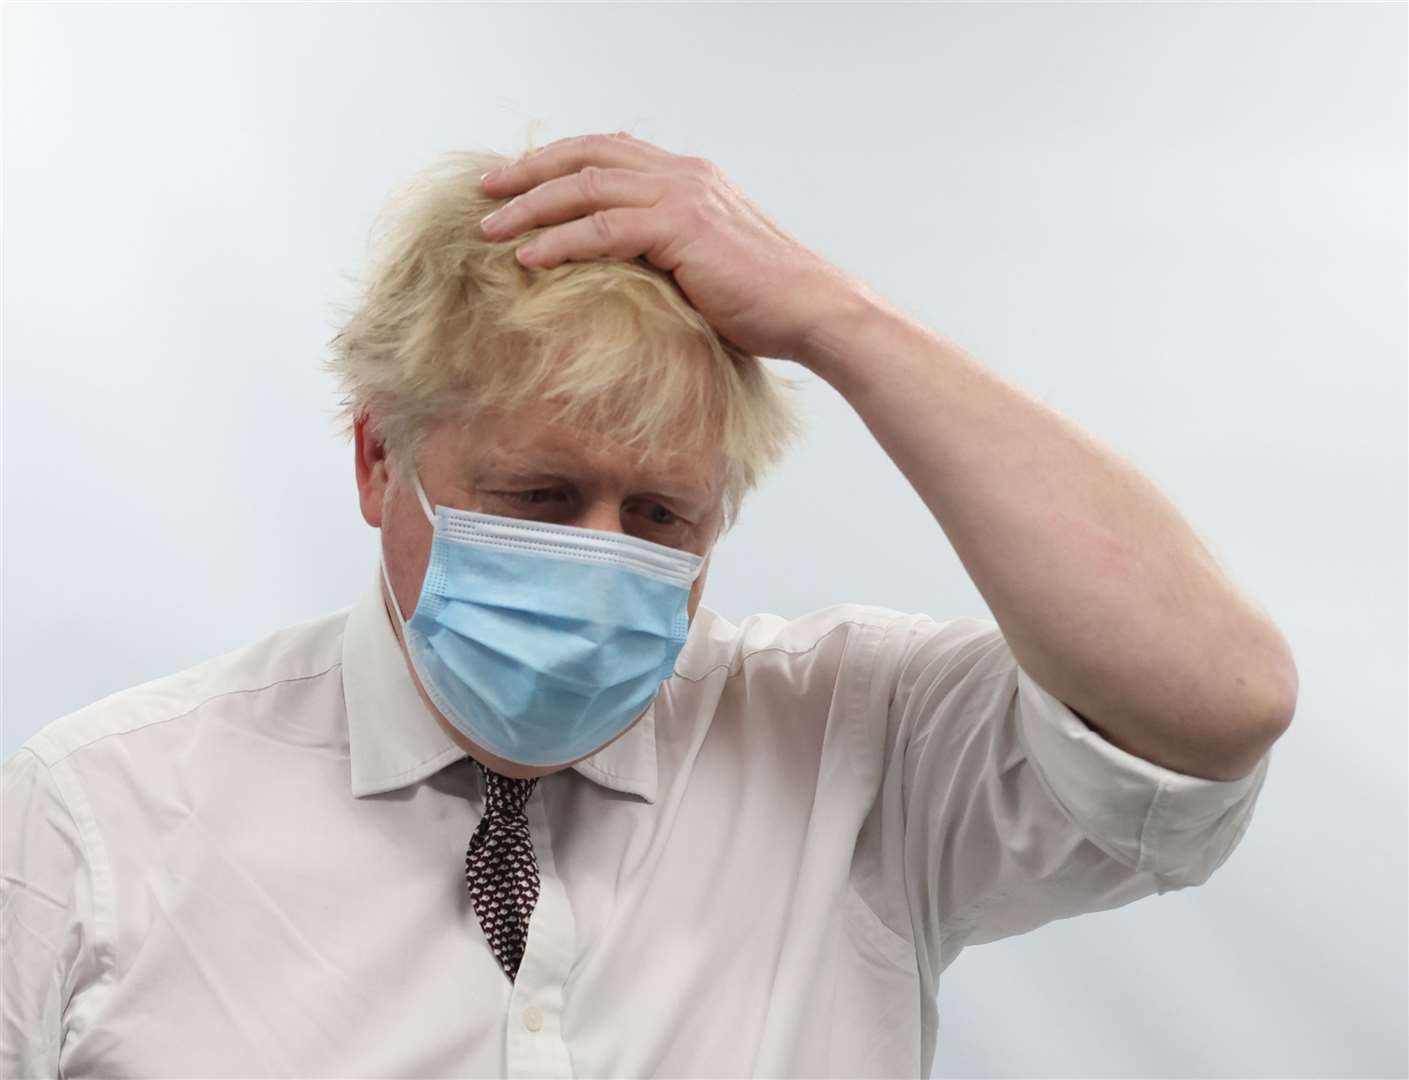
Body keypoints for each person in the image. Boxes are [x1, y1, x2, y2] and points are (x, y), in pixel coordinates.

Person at [1, 131, 1297, 1078]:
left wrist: (834, 320)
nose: (599, 559)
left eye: (662, 517)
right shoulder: (99, 816)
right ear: (376, 463)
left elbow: (1217, 700)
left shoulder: (860, 746)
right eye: (540, 496)